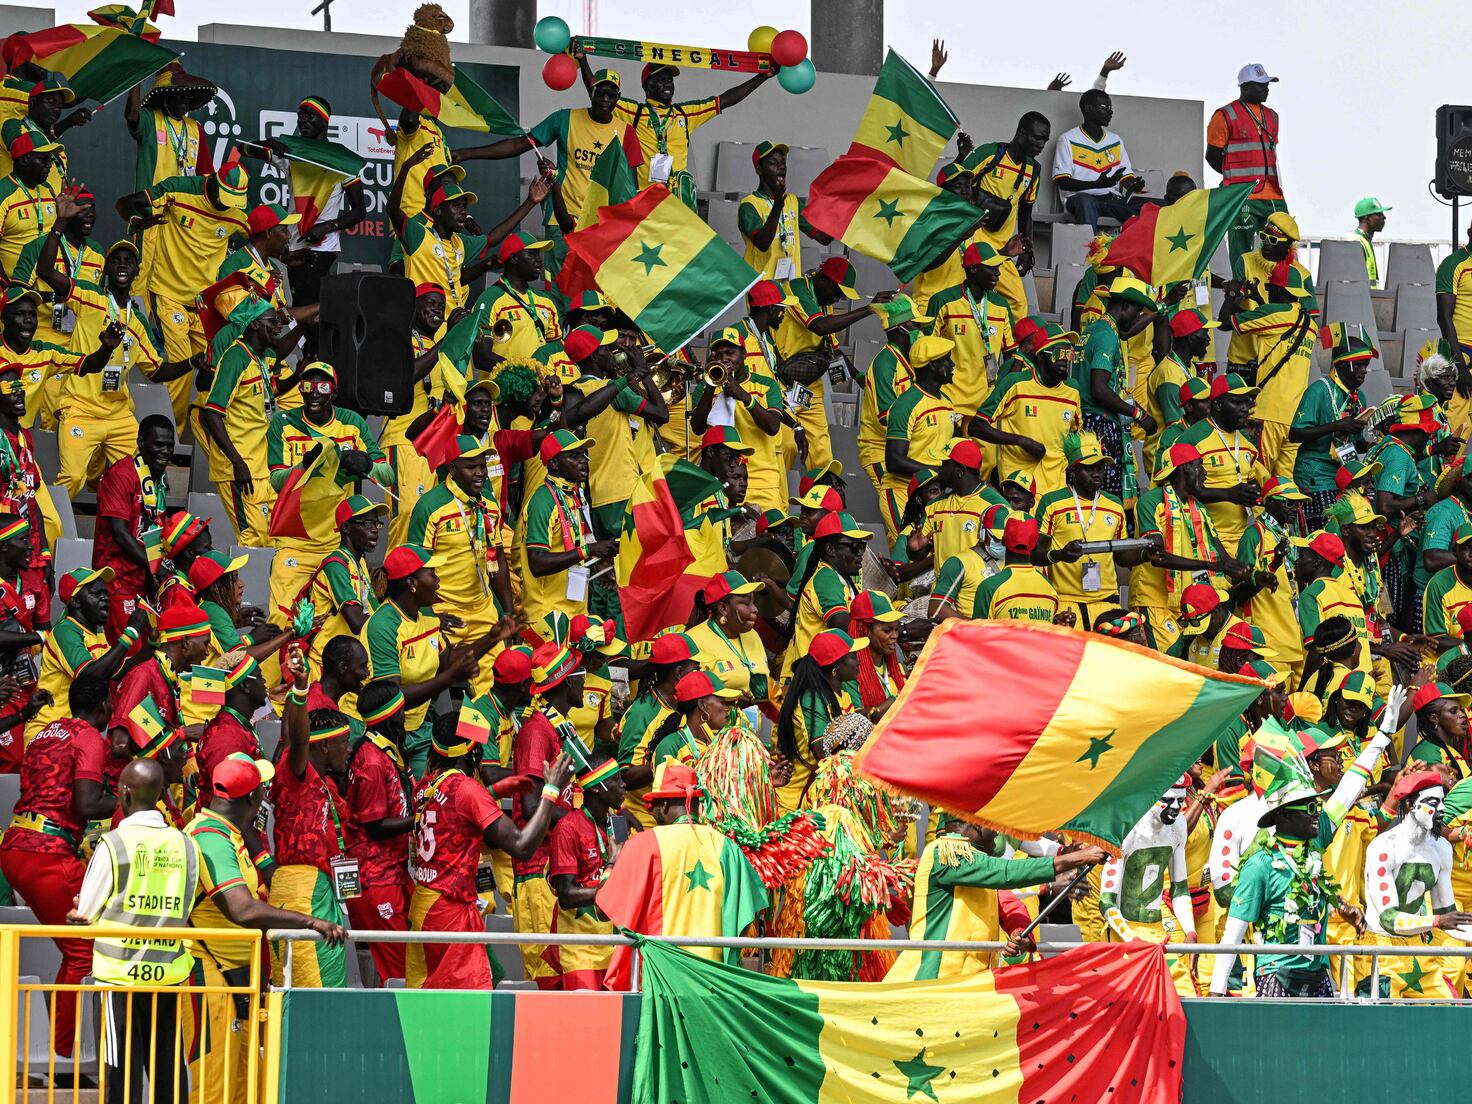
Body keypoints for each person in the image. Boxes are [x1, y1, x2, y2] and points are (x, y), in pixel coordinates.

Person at [185, 751, 345, 1101]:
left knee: (242, 1083)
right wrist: (309, 921)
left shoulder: (228, 834)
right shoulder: (210, 837)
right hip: (212, 978)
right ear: (252, 799)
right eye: (262, 790)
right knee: (215, 1084)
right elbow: (241, 909)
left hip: (236, 978)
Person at [0, 668, 114, 1062]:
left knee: (73, 947)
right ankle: (65, 1056)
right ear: (104, 705)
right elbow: (86, 805)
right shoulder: (89, 738)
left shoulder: (47, 732)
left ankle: (64, 1049)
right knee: (83, 949)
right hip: (46, 852)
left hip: (16, 845)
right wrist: (130, 803)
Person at [69, 758, 198, 1104]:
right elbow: (184, 907)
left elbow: (86, 915)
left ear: (124, 793)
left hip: (119, 979)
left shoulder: (113, 844)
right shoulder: (186, 845)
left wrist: (78, 912)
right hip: (168, 978)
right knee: (168, 1077)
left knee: (120, 1080)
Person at [33, 227, 198, 496]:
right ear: (106, 268)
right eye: (116, 260)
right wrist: (58, 228)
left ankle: (144, 532)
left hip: (119, 415)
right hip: (80, 409)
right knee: (72, 477)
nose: (122, 264)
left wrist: (192, 362)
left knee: (146, 478)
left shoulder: (138, 323)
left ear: (136, 271)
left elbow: (157, 371)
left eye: (129, 261)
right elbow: (46, 273)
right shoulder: (90, 298)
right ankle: (45, 531)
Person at [596, 761, 768, 989]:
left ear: (664, 804)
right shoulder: (726, 847)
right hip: (713, 982)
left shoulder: (643, 845)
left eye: (652, 807)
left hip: (659, 984)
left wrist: (611, 862)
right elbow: (746, 922)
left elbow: (602, 910)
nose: (651, 813)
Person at [117, 162, 251, 427]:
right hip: (169, 294)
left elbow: (259, 240)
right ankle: (171, 440)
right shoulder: (179, 189)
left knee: (215, 367)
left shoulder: (237, 215)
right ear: (212, 182)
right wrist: (138, 221)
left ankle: (202, 432)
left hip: (205, 305)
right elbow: (124, 203)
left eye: (232, 201)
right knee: (180, 368)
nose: (225, 205)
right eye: (223, 198)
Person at [890, 816, 1104, 980]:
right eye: (996, 828)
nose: (998, 835)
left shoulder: (978, 863)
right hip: (930, 983)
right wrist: (1077, 857)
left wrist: (1019, 933)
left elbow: (1009, 903)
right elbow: (1006, 872)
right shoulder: (944, 852)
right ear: (977, 824)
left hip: (969, 988)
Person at [269, 645, 353, 988]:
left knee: (323, 986)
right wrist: (301, 691)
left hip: (320, 888)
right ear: (322, 747)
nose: (346, 751)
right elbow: (297, 738)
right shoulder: (295, 773)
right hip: (303, 890)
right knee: (313, 993)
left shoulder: (322, 783)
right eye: (342, 744)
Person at [406, 434, 516, 692]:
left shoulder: (488, 505)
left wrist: (508, 611)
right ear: (452, 469)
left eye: (483, 466)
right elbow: (415, 567)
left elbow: (497, 558)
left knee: (491, 690)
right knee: (424, 685)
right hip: (444, 612)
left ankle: (479, 733)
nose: (480, 474)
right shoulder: (430, 507)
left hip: (483, 611)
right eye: (471, 467)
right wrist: (428, 615)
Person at [365, 544, 477, 777]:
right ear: (412, 583)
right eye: (432, 574)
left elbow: (451, 661)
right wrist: (450, 677)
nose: (438, 580)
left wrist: (494, 636)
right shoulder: (384, 625)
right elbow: (391, 698)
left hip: (417, 730)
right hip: (379, 733)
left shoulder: (426, 618)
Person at [1364, 772, 1472, 998]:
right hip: (1382, 951)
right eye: (1433, 803)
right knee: (1384, 1024)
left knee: (1449, 1010)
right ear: (1410, 805)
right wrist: (1436, 921)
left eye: (1443, 801)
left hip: (1417, 949)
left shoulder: (1441, 848)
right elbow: (1389, 919)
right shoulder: (1383, 848)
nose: (1442, 809)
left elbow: (1448, 916)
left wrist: (1444, 921)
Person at [1131, 443, 1244, 652]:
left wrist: (1251, 574)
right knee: (1167, 663)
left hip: (1189, 605)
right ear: (1184, 468)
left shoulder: (1199, 508)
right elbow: (1158, 557)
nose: (1205, 473)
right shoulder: (1151, 501)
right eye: (1199, 466)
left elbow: (1223, 558)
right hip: (1155, 601)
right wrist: (1211, 565)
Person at [610, 61, 773, 205]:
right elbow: (601, 94)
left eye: (669, 80)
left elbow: (724, 101)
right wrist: (583, 59)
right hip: (646, 200)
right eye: (660, 80)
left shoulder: (684, 114)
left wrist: (763, 77)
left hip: (679, 200)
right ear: (646, 85)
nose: (667, 84)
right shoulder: (635, 112)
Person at [560, 324, 669, 539]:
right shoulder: (614, 389)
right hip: (621, 490)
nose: (612, 352)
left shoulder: (572, 392)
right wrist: (643, 370)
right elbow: (661, 413)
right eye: (605, 349)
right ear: (594, 358)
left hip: (593, 495)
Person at [340, 679, 414, 985]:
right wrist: (420, 820)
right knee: (396, 971)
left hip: (392, 870)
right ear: (389, 716)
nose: (405, 718)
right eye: (401, 712)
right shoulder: (371, 760)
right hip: (374, 877)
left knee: (407, 961)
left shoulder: (386, 751)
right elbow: (374, 825)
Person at [1223, 263, 1319, 479]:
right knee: (1284, 484)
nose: (1268, 291)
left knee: (1258, 477)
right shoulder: (1310, 325)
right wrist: (1258, 300)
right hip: (1296, 418)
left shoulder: (1273, 313)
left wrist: (1232, 293)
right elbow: (1274, 320)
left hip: (1269, 412)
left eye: (1270, 288)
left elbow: (1224, 322)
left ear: (1279, 290)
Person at [199, 298, 282, 545]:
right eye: (273, 321)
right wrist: (237, 463)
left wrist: (298, 373)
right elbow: (212, 413)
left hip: (260, 465)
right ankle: (243, 584)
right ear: (255, 325)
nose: (279, 326)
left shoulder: (260, 358)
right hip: (239, 467)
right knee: (252, 538)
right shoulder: (236, 357)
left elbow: (270, 397)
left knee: (269, 538)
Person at [29, 567, 144, 738]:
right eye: (97, 594)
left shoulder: (97, 632)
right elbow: (88, 678)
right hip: (50, 730)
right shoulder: (65, 630)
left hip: (74, 731)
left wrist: (152, 644)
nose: (105, 598)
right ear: (75, 602)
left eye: (105, 593)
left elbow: (118, 671)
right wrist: (130, 634)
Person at [974, 321, 1083, 498]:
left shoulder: (1073, 391)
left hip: (1055, 489)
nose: (1064, 359)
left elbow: (1074, 434)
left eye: (1068, 354)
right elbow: (977, 426)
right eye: (1058, 353)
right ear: (1040, 355)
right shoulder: (1015, 384)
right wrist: (1021, 441)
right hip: (1019, 489)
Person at [1038, 431, 1135, 629]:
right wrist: (1060, 554)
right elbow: (1035, 555)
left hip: (1107, 602)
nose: (1097, 472)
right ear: (1072, 472)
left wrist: (1144, 554)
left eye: (1100, 466)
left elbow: (1121, 557)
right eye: (1089, 468)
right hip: (1066, 604)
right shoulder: (1052, 502)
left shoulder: (1114, 505)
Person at [547, 754, 626, 990]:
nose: (624, 785)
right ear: (596, 789)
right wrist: (608, 888)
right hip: (579, 948)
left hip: (614, 945)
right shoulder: (568, 828)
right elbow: (567, 895)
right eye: (615, 780)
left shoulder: (617, 825)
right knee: (585, 1022)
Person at [520, 430, 614, 626]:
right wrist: (588, 550)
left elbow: (574, 544)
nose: (584, 461)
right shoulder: (543, 501)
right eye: (574, 456)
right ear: (554, 464)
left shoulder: (575, 493)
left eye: (584, 455)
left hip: (575, 611)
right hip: (547, 616)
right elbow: (537, 563)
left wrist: (596, 563)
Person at [961, 112, 1050, 319]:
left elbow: (1026, 211)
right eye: (1037, 138)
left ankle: (1010, 350)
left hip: (1003, 249)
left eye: (1045, 140)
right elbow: (956, 183)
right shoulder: (991, 154)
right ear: (1021, 132)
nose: (1041, 144)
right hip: (972, 240)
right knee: (965, 296)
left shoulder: (1034, 170)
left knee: (1018, 303)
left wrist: (1026, 250)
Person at [93, 415, 174, 641]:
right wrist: (155, 567)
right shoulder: (121, 474)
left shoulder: (157, 478)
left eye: (170, 446)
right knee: (127, 654)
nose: (165, 451)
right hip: (117, 580)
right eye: (159, 444)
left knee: (147, 652)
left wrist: (154, 572)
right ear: (140, 443)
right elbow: (120, 533)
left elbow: (153, 529)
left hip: (142, 581)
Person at [691, 325, 786, 513]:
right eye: (718, 354)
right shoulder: (705, 387)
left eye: (730, 352)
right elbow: (697, 427)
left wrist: (745, 397)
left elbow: (773, 426)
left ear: (744, 354)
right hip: (721, 482)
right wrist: (711, 385)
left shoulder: (767, 385)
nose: (724, 359)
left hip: (762, 482)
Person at [1206, 63, 1285, 275]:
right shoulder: (1225, 115)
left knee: (1285, 244)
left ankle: (1282, 289)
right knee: (1241, 249)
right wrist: (1232, 179)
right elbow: (1212, 156)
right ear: (1245, 86)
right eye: (1261, 85)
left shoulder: (1272, 116)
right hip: (1243, 195)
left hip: (1273, 195)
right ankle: (1243, 292)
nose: (1266, 89)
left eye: (1267, 84)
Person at [858, 295, 931, 522]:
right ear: (900, 329)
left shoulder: (910, 359)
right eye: (916, 325)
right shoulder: (885, 363)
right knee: (899, 517)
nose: (920, 331)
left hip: (904, 448)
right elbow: (886, 418)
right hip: (880, 451)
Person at [775, 629, 863, 813]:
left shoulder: (842, 696)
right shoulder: (812, 699)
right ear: (836, 668)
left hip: (823, 801)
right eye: (852, 656)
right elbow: (822, 752)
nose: (858, 661)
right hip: (795, 807)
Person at [882, 335, 961, 538]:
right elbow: (894, 460)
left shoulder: (947, 402)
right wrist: (937, 471)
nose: (952, 364)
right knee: (908, 549)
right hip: (903, 493)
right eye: (947, 359)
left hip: (934, 492)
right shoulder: (906, 404)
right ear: (932, 365)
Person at [1290, 336, 1371, 531]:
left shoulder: (1359, 398)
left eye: (1366, 366)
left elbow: (1354, 444)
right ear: (1341, 366)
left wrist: (1373, 444)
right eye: (1358, 365)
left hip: (1343, 475)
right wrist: (1336, 426)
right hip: (1316, 474)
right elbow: (1295, 434)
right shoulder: (1319, 390)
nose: (1363, 371)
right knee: (1322, 535)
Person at [1180, 373, 1267, 554]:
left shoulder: (1247, 445)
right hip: (1203, 539)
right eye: (1237, 402)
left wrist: (1255, 493)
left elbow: (1252, 483)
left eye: (1247, 401)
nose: (1245, 408)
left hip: (1242, 539)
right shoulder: (1193, 439)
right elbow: (1177, 491)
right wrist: (1228, 494)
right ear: (1217, 405)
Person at [304, 495, 386, 672]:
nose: (374, 530)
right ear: (346, 527)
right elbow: (356, 621)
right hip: (327, 668)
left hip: (350, 665)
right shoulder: (336, 564)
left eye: (376, 524)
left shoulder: (359, 562)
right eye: (366, 524)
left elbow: (372, 610)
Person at [1052, 89, 1148, 228]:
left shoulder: (1115, 140)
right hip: (1081, 198)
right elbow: (1062, 181)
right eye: (1105, 108)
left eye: (1111, 108)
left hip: (1111, 200)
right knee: (1085, 202)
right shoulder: (1068, 139)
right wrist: (1097, 184)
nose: (1110, 112)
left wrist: (1134, 185)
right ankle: (1091, 248)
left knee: (1154, 206)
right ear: (1088, 109)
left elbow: (1126, 177)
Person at [924, 439, 1008, 569]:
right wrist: (914, 550)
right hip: (943, 588)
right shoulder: (934, 506)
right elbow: (918, 552)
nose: (939, 469)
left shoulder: (997, 507)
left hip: (979, 588)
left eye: (944, 464)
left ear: (960, 471)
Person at [196, 650, 270, 796]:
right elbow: (226, 798)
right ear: (245, 686)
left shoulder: (236, 725)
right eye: (260, 676)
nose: (265, 681)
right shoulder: (226, 737)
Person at [739, 141, 814, 280]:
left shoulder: (792, 201)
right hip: (762, 289)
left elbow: (823, 237)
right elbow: (762, 244)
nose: (780, 167)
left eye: (783, 162)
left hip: (790, 289)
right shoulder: (749, 205)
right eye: (773, 163)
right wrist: (777, 207)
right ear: (759, 170)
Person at [969, 517, 1059, 622]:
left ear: (1003, 541)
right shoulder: (1049, 587)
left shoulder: (990, 587)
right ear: (1034, 546)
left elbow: (978, 633)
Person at [0, 128, 58, 282]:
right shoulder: (3, 193)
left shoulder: (48, 189)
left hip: (49, 285)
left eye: (51, 159)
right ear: (24, 160)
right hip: (17, 291)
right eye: (44, 159)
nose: (49, 165)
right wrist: (6, 290)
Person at [1436, 224, 1472, 369]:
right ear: (1470, 232)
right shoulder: (1453, 263)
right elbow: (1444, 318)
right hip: (1463, 350)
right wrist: (1460, 367)